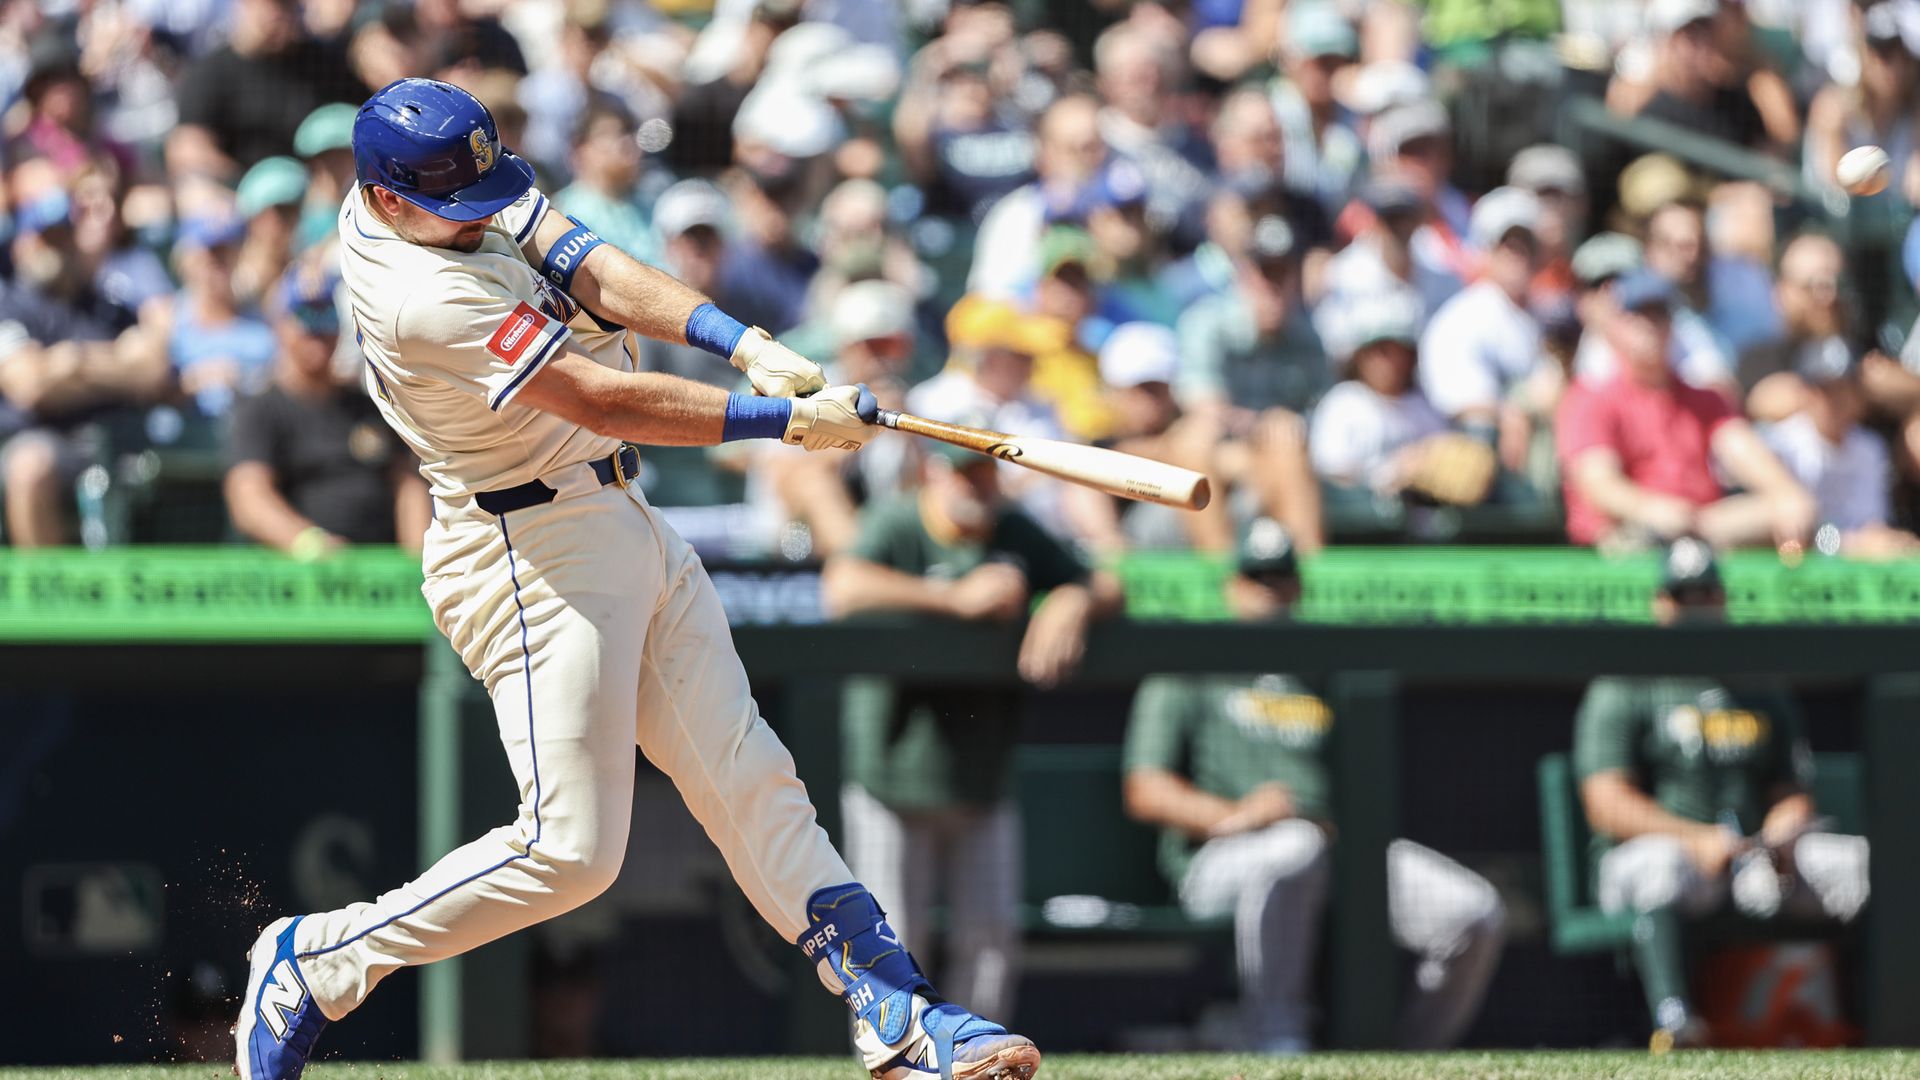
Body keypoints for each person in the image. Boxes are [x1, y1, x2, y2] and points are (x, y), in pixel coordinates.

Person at [235, 78, 1042, 1080]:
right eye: (460, 209)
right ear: (390, 199)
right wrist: (781, 422)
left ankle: (900, 1015)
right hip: (528, 553)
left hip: (616, 517)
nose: (487, 214)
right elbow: (600, 396)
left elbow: (591, 265)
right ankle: (319, 961)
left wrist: (743, 344)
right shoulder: (414, 294)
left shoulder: (447, 181)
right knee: (570, 851)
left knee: (751, 776)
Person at [1124, 519, 1506, 1053]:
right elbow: (1145, 788)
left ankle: (1405, 1056)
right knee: (1293, 846)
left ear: (1299, 588)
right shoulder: (1189, 665)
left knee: (1473, 912)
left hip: (1334, 852)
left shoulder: (1322, 672)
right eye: (1257, 579)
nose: (1270, 593)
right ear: (1231, 585)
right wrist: (1235, 815)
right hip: (1220, 859)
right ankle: (1277, 1034)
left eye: (1280, 580)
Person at [821, 441, 1122, 1031]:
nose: (976, 485)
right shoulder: (899, 519)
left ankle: (978, 1061)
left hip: (981, 773)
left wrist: (1072, 599)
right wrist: (953, 599)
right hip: (892, 771)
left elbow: (1108, 583)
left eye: (986, 472)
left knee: (989, 940)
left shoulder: (1012, 529)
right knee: (892, 942)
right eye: (964, 472)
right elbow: (842, 587)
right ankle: (902, 1062)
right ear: (933, 471)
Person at [1572, 538, 1870, 1045]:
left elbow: (1791, 788)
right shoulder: (1627, 680)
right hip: (1659, 861)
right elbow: (1606, 802)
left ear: (1724, 600)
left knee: (1864, 864)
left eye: (1707, 593)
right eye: (1684, 596)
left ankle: (1886, 1019)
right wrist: (1695, 837)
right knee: (1661, 866)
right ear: (1661, 603)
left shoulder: (1756, 679)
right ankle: (1675, 1023)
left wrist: (1785, 825)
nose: (1698, 607)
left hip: (1753, 856)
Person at [1556, 270, 1814, 549]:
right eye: (1638, 315)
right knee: (1642, 540)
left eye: (1659, 314)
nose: (1650, 326)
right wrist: (1653, 510)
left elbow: (1744, 450)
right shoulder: (1590, 397)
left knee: (1797, 513)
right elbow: (1599, 483)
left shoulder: (1703, 399)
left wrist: (1787, 494)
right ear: (1615, 324)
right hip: (1629, 539)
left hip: (1703, 529)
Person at [225, 264, 429, 558]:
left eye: (326, 315)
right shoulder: (260, 409)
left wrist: (418, 561)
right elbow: (248, 497)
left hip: (383, 576)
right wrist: (308, 542)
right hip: (303, 577)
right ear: (280, 325)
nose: (317, 329)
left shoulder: (368, 403)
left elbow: (407, 483)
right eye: (304, 316)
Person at [1310, 292, 1493, 507]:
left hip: (1421, 531)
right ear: (1359, 356)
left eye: (1397, 350)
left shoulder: (1426, 407)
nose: (1388, 360)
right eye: (1379, 350)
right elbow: (1328, 477)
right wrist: (1390, 473)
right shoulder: (1343, 403)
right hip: (1358, 534)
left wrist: (1425, 462)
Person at [1417, 187, 1548, 479]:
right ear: (1485, 248)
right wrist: (1509, 413)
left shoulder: (1535, 316)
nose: (1519, 255)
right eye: (1507, 245)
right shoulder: (1463, 317)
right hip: (1471, 465)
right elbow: (1455, 405)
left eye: (1526, 244)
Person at [1758, 340, 1919, 557]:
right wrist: (1847, 544)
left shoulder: (1870, 448)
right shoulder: (1779, 444)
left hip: (1852, 569)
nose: (1836, 400)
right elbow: (1788, 535)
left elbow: (1872, 526)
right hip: (1790, 567)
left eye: (1844, 388)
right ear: (1806, 393)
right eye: (1825, 390)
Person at [1739, 233, 1852, 422]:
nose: (1828, 297)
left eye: (1837, 284)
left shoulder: (1867, 353)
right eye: (1813, 285)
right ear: (1783, 291)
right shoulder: (1758, 361)